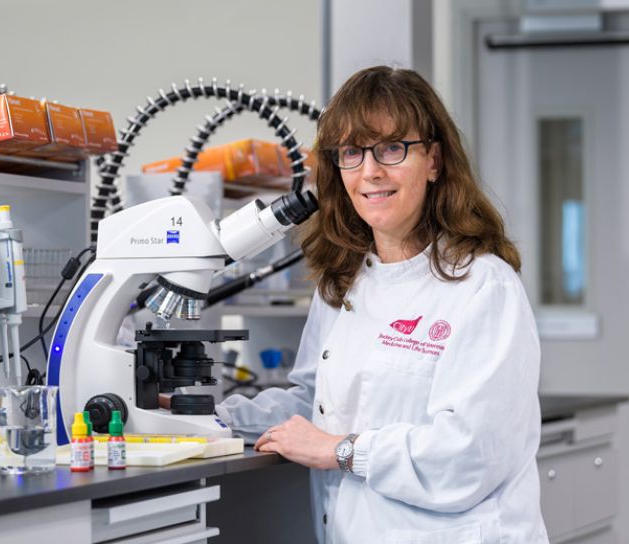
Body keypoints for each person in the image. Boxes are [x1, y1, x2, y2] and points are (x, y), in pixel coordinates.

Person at [214, 66, 548, 543]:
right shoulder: (344, 283)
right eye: (352, 152)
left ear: (434, 161)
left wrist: (342, 451)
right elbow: (315, 405)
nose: (370, 171)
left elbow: (470, 455)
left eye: (392, 148)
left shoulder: (483, 286)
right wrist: (207, 418)